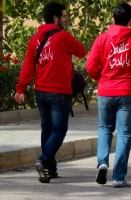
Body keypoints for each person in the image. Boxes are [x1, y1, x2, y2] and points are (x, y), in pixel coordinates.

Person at [14, 2, 86, 183]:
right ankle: (43, 159)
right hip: (59, 92)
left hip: (41, 92)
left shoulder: (35, 39)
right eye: (63, 16)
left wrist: (21, 89)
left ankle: (50, 170)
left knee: (47, 129)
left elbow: (28, 66)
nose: (65, 18)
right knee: (59, 130)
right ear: (55, 18)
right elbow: (82, 51)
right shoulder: (63, 36)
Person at [86, 2, 131, 188]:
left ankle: (103, 162)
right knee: (125, 134)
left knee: (105, 128)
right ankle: (119, 177)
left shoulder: (102, 39)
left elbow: (90, 67)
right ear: (130, 21)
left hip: (106, 90)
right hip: (128, 92)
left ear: (113, 19)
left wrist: (101, 78)